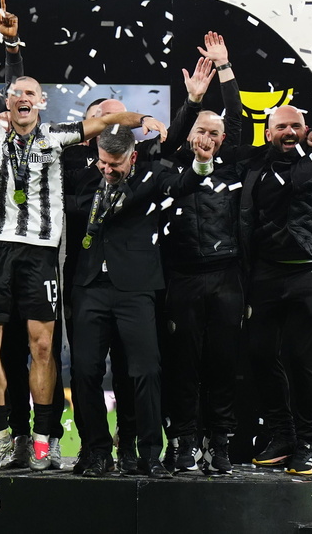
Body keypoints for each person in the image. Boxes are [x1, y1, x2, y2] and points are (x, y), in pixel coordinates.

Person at [0, 10, 166, 473]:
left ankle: (44, 437)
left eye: (30, 95)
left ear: (41, 104)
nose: (21, 98)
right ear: (7, 104)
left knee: (42, 346)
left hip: (39, 254)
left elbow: (108, 120)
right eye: (16, 93)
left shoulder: (60, 137)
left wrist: (144, 119)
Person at [69, 126, 216, 479]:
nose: (108, 170)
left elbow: (181, 186)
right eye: (104, 162)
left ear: (132, 157)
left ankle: (150, 453)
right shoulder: (87, 177)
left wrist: (201, 163)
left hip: (135, 288)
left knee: (146, 371)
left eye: (115, 165)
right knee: (85, 371)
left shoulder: (152, 177)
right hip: (90, 286)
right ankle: (98, 451)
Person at [236, 40, 312, 476]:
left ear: (306, 130)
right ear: (267, 132)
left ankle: (309, 443)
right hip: (264, 276)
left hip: (311, 273)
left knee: (306, 361)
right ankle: (282, 432)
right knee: (263, 356)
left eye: (294, 125)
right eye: (279, 126)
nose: (287, 131)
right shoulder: (255, 168)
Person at [160, 32, 243, 474]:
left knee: (222, 363)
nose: (206, 137)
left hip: (226, 276)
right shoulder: (171, 164)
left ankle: (219, 443)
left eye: (214, 132)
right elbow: (171, 138)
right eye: (199, 130)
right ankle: (184, 441)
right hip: (183, 276)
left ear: (223, 138)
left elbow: (242, 124)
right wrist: (192, 102)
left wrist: (225, 68)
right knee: (183, 364)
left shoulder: (234, 163)